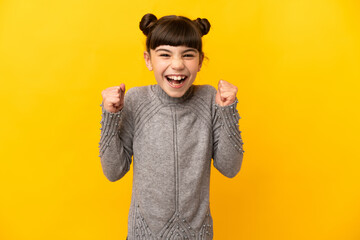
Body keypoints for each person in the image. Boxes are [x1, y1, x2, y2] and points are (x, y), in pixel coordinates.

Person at [99, 13, 244, 240]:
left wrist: (227, 111)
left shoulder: (209, 100)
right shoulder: (136, 100)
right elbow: (113, 171)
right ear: (148, 60)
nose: (177, 64)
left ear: (200, 60)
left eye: (188, 55)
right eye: (165, 54)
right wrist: (110, 116)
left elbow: (230, 167)